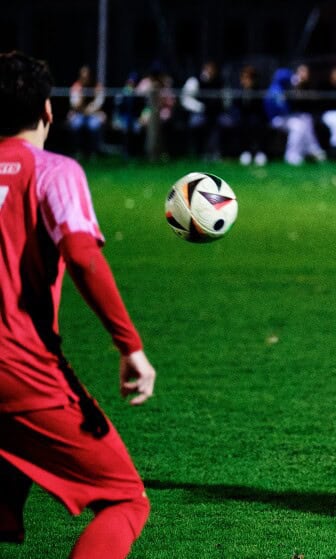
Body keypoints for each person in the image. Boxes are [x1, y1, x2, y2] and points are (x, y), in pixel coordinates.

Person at [0, 50, 157, 558]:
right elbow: (84, 257)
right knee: (125, 501)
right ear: (48, 111)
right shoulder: (54, 171)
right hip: (19, 368)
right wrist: (129, 346)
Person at [265, 63, 327, 165]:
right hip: (276, 119)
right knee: (298, 126)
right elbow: (282, 109)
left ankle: (311, 149)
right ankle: (292, 155)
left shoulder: (285, 88)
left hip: (285, 117)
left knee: (305, 119)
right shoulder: (276, 89)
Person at [180, 60, 225, 161]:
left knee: (223, 123)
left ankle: (215, 153)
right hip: (199, 112)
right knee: (196, 123)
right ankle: (199, 152)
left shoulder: (220, 81)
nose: (210, 71)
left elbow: (226, 98)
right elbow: (185, 100)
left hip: (216, 114)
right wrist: (201, 107)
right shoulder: (194, 81)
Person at [230, 64, 268, 166]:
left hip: (258, 118)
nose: (245, 81)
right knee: (241, 124)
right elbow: (235, 107)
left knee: (257, 124)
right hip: (242, 119)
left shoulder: (259, 90)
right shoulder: (238, 91)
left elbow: (262, 109)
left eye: (248, 78)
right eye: (243, 78)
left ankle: (260, 153)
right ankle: (245, 152)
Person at [67, 64, 107, 158]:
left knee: (93, 125)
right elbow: (74, 104)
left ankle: (93, 151)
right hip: (78, 113)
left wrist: (89, 109)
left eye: (87, 75)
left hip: (94, 113)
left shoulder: (97, 86)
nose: (85, 78)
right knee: (76, 124)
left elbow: (99, 103)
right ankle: (77, 151)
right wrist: (82, 98)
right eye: (83, 75)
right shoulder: (76, 86)